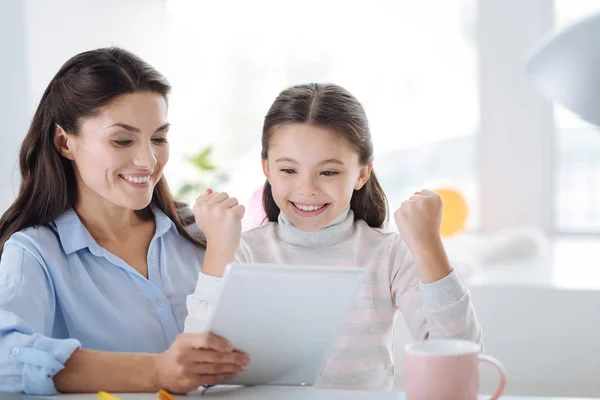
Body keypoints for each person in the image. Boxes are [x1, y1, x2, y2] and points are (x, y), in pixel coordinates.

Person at [185, 83, 482, 391]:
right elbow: (195, 372)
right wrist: (219, 249)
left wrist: (427, 244)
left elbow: (460, 359)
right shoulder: (243, 252)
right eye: (288, 170)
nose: (307, 188)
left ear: (362, 174)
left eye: (328, 172)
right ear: (267, 169)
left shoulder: (388, 254)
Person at [0, 47, 249, 396]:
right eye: (122, 140)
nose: (148, 160)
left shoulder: (200, 234)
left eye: (159, 138)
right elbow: (5, 362)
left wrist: (223, 252)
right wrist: (154, 371)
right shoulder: (35, 253)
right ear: (64, 142)